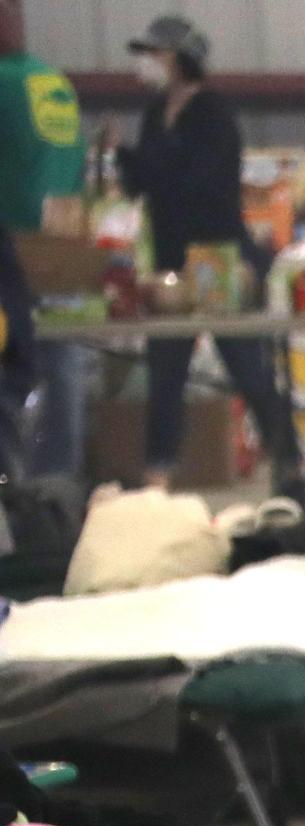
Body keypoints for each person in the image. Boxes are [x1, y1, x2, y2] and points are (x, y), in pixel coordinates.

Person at [114, 16, 305, 503]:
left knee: (247, 368)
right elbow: (147, 182)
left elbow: (201, 181)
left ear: (178, 57)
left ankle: (289, 463)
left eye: (153, 53)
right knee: (166, 371)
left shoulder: (213, 113)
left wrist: (147, 165)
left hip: (219, 257)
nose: (145, 64)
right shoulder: (155, 110)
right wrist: (121, 157)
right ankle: (158, 475)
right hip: (169, 258)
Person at [0, 1, 82, 479]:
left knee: (11, 372)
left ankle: (13, 490)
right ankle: (57, 481)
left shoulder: (5, 83)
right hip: (62, 241)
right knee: (64, 362)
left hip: (12, 242)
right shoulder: (53, 81)